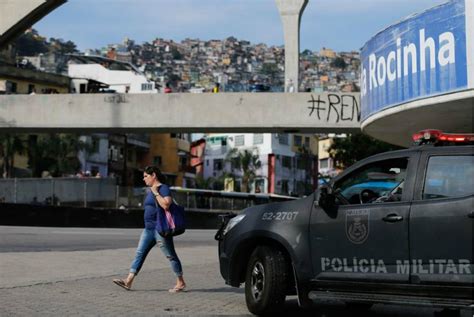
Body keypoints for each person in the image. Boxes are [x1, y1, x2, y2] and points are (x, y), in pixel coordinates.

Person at [113, 165, 186, 292]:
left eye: (146, 176)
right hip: (148, 229)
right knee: (139, 253)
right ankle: (128, 281)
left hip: (160, 229)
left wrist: (156, 192)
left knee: (170, 255)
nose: (144, 179)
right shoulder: (150, 190)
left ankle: (180, 282)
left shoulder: (162, 188)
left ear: (154, 176)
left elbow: (166, 204)